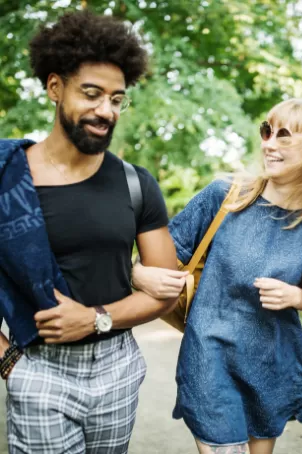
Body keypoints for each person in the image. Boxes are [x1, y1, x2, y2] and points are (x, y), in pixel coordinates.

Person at [0, 11, 184, 454]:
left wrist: (96, 317)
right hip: (38, 367)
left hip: (116, 368)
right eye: (92, 94)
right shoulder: (7, 175)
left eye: (117, 99)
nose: (106, 110)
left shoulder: (136, 184)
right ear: (55, 87)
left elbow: (167, 291)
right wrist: (8, 361)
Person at [132, 98, 302, 453]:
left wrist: (299, 296)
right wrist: (138, 275)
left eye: (284, 135)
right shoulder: (226, 196)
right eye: (267, 131)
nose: (269, 143)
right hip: (209, 356)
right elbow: (155, 259)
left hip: (272, 364)